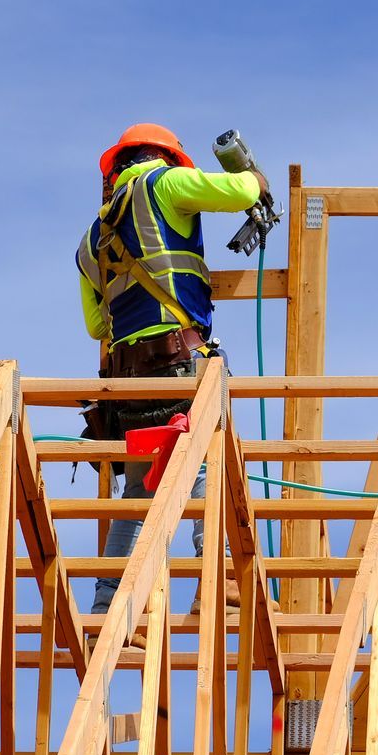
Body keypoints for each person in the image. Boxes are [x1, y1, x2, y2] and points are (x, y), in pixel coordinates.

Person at [76, 122, 269, 615]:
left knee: (140, 489)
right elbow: (244, 189)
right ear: (163, 157)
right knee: (205, 461)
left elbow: (98, 324)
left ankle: (107, 604)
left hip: (127, 385)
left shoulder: (91, 240)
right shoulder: (165, 183)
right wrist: (254, 177)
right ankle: (218, 581)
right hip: (179, 364)